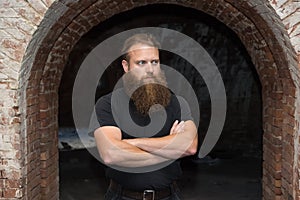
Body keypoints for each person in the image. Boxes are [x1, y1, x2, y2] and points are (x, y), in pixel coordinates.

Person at [94, 33, 198, 200]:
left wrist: (131, 143)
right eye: (141, 62)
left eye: (154, 62)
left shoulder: (177, 103)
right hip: (123, 196)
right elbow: (111, 154)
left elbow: (189, 147)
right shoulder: (108, 104)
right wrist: (170, 150)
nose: (150, 69)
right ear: (126, 66)